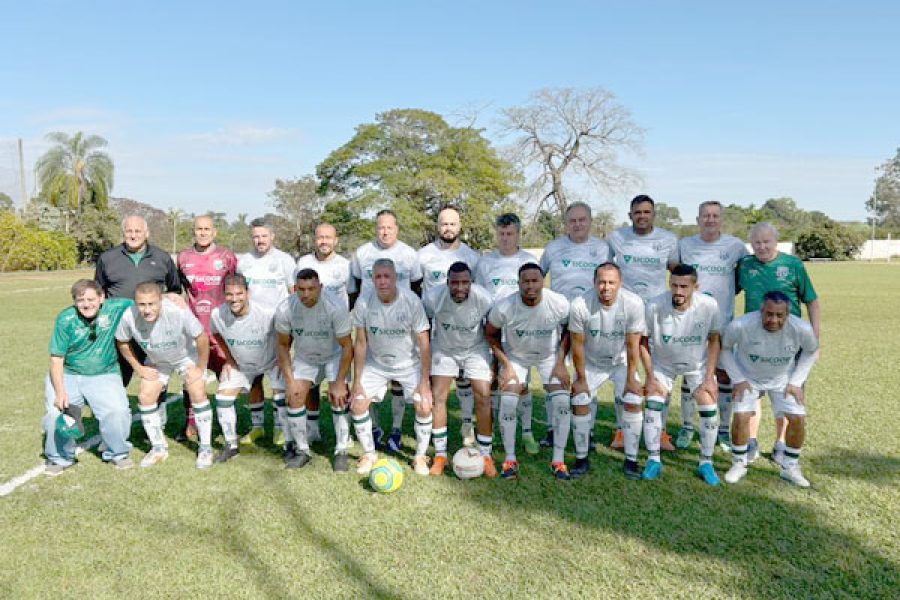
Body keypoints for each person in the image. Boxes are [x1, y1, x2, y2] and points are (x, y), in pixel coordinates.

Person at [736, 222, 820, 465]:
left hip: (788, 342)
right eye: (757, 242)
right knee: (752, 392)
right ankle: (751, 441)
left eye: (766, 242)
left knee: (787, 392)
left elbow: (812, 301)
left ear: (776, 241)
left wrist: (815, 337)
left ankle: (781, 443)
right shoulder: (745, 265)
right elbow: (730, 290)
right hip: (754, 341)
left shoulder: (793, 265)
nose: (762, 247)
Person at [720, 291, 819, 487]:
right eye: (769, 314)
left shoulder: (801, 328)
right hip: (748, 377)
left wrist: (796, 382)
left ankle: (790, 467)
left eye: (779, 315)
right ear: (761, 311)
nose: (773, 320)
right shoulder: (741, 325)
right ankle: (739, 463)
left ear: (788, 314)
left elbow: (811, 351)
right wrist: (738, 379)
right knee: (741, 416)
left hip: (783, 379)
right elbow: (725, 348)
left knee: (797, 418)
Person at [485, 263, 571, 480]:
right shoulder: (505, 307)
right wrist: (506, 365)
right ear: (519, 283)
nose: (530, 286)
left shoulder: (558, 303)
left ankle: (558, 461)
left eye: (535, 281)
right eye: (526, 281)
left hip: (548, 358)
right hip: (516, 358)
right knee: (508, 401)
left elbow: (569, 329)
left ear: (543, 282)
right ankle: (510, 460)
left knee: (562, 402)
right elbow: (491, 333)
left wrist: (561, 362)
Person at [115, 282, 213, 469]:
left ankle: (206, 448)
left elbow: (201, 337)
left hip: (185, 357)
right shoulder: (129, 316)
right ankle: (158, 448)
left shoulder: (177, 310)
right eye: (142, 304)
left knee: (197, 392)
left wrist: (200, 368)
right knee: (145, 396)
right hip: (157, 361)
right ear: (135, 303)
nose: (147, 310)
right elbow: (122, 342)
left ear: (161, 300)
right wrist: (139, 368)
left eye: (151, 304)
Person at [348, 259, 433, 476]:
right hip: (376, 364)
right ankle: (369, 454)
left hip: (408, 364)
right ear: (372, 279)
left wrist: (424, 383)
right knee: (357, 403)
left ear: (395, 278)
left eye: (387, 276)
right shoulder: (364, 302)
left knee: (424, 405)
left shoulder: (411, 301)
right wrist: (356, 382)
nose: (383, 281)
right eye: (378, 277)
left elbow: (424, 342)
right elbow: (361, 342)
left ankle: (420, 456)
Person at [608, 195, 679, 451]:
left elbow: (676, 270)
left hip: (657, 313)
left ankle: (660, 431)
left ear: (654, 215)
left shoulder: (668, 239)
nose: (642, 216)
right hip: (625, 312)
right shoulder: (616, 238)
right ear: (630, 215)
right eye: (637, 212)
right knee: (625, 369)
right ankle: (621, 429)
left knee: (660, 372)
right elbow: (606, 269)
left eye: (646, 212)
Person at [539, 201, 612, 450]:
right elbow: (537, 276)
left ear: (590, 222)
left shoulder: (602, 249)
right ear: (566, 223)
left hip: (590, 320)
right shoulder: (553, 248)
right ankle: (553, 429)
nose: (577, 224)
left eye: (582, 220)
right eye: (572, 220)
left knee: (587, 376)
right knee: (555, 376)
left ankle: (587, 430)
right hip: (559, 322)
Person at [349, 210, 423, 452]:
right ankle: (375, 427)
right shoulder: (362, 253)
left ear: (397, 229)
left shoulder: (409, 254)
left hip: (400, 326)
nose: (385, 232)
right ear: (375, 228)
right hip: (373, 324)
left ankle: (397, 429)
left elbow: (416, 286)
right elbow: (355, 287)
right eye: (381, 227)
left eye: (389, 227)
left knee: (398, 381)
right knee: (368, 379)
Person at [42, 279, 134, 475]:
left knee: (117, 411)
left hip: (104, 373)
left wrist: (171, 298)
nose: (86, 304)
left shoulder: (117, 308)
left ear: (102, 298)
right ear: (74, 301)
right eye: (80, 300)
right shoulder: (65, 319)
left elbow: (145, 299)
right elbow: (56, 359)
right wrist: (60, 392)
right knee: (56, 414)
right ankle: (59, 457)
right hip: (68, 374)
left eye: (91, 299)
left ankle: (117, 452)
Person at [676, 201, 747, 452]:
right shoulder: (685, 245)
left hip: (723, 321)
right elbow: (677, 275)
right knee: (690, 371)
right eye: (706, 216)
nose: (710, 220)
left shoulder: (735, 246)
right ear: (698, 219)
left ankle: (724, 430)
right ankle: (687, 426)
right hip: (692, 321)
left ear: (721, 219)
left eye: (715, 216)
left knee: (724, 374)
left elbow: (743, 276)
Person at [641, 264, 722, 484]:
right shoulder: (654, 305)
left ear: (696, 287)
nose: (678, 291)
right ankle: (653, 460)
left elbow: (715, 340)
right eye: (674, 285)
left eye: (684, 287)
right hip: (663, 365)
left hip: (697, 366)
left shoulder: (709, 305)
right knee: (653, 403)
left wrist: (709, 378)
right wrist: (650, 377)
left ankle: (706, 463)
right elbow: (642, 341)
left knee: (709, 405)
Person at [568, 263, 645, 478]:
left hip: (620, 363)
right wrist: (581, 378)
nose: (606, 287)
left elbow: (633, 345)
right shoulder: (580, 305)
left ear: (620, 283)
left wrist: (631, 378)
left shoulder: (633, 303)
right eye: (602, 282)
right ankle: (582, 458)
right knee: (580, 399)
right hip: (591, 363)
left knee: (633, 399)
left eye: (611, 282)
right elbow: (577, 345)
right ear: (594, 283)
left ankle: (631, 460)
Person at [473, 212, 540, 455]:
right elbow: (480, 295)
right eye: (501, 233)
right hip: (492, 327)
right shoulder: (485, 262)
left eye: (510, 233)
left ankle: (527, 432)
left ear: (518, 234)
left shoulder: (528, 260)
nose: (505, 238)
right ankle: (491, 430)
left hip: (520, 330)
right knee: (491, 380)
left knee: (521, 382)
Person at [275, 269, 354, 472]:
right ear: (295, 289)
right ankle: (303, 450)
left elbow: (347, 346)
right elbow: (282, 345)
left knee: (338, 397)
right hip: (305, 357)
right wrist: (290, 381)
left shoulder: (335, 306)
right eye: (301, 289)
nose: (306, 294)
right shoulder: (285, 308)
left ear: (320, 287)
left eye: (311, 289)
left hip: (334, 355)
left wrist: (339, 382)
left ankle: (341, 450)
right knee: (294, 396)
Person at [423, 262, 496, 477]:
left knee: (483, 396)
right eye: (455, 283)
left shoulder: (484, 299)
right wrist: (426, 359)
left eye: (465, 282)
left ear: (471, 282)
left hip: (475, 348)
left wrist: (495, 362)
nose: (460, 287)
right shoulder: (432, 298)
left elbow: (493, 330)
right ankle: (440, 455)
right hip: (444, 349)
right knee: (439, 397)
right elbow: (424, 327)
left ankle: (486, 455)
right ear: (447, 283)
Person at [417, 206, 481, 446]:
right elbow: (416, 288)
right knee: (437, 382)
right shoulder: (423, 255)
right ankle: (431, 430)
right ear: (437, 226)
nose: (448, 228)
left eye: (453, 224)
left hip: (464, 329)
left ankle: (467, 424)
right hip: (435, 329)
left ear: (459, 226)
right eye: (444, 223)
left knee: (464, 378)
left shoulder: (472, 257)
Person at [95, 215, 182, 386]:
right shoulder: (107, 258)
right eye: (129, 231)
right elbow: (98, 293)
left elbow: (174, 290)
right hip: (118, 331)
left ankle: (158, 403)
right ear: (123, 233)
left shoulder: (162, 257)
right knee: (117, 380)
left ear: (146, 233)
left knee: (155, 381)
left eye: (137, 231)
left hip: (153, 331)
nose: (133, 235)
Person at [208, 274, 285, 465]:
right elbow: (216, 335)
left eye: (239, 294)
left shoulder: (267, 314)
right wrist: (229, 359)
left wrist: (282, 359)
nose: (234, 299)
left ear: (248, 293)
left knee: (282, 395)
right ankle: (231, 445)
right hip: (241, 365)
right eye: (229, 294)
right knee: (223, 398)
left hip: (271, 362)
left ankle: (284, 434)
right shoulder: (217, 314)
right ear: (223, 295)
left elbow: (284, 335)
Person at [176, 214, 237, 441]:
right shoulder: (183, 258)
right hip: (194, 330)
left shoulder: (226, 257)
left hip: (221, 329)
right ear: (194, 231)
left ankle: (228, 424)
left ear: (214, 232)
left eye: (207, 229)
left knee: (227, 377)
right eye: (199, 229)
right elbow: (180, 291)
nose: (202, 233)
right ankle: (191, 421)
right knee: (191, 377)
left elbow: (236, 289)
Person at [236, 218, 296, 446]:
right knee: (254, 379)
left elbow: (293, 295)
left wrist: (290, 330)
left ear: (272, 236)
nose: (259, 240)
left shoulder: (285, 261)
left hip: (277, 329)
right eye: (256, 236)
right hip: (250, 330)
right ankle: (257, 427)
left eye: (263, 236)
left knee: (279, 380)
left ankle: (281, 428)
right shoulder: (244, 262)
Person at [294, 222, 351, 443]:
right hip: (310, 334)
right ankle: (312, 430)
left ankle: (343, 438)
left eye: (328, 237)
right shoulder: (304, 263)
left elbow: (352, 294)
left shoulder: (345, 265)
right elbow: (296, 293)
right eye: (320, 237)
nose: (324, 241)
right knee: (311, 385)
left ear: (336, 240)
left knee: (339, 384)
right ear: (314, 240)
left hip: (336, 335)